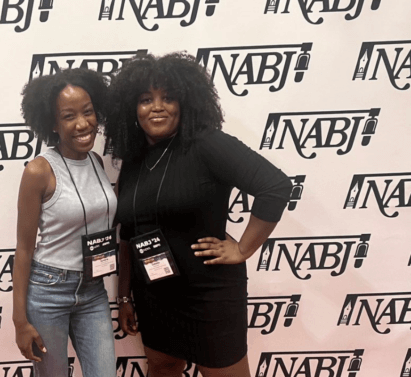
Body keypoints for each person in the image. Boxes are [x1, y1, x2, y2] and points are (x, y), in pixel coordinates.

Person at [105, 53, 293, 377]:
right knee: (163, 366)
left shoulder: (207, 145)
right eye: (146, 99)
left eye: (169, 97)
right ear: (132, 109)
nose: (158, 106)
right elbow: (128, 235)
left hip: (209, 295)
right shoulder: (134, 161)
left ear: (186, 102)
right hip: (154, 294)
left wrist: (243, 248)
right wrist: (124, 296)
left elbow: (274, 186)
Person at [13, 68, 117, 377]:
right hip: (48, 290)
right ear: (53, 124)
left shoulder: (97, 163)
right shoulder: (39, 171)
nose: (83, 124)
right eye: (69, 116)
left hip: (93, 289)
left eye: (88, 112)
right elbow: (23, 248)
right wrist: (20, 321)